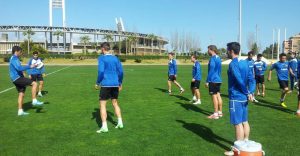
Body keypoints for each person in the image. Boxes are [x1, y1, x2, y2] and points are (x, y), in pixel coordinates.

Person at [224, 42, 255, 156]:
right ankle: (245, 142)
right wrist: (251, 92)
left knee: (238, 124)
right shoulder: (246, 63)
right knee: (244, 121)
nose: (227, 52)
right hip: (244, 98)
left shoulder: (233, 64)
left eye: (227, 50)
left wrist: (247, 92)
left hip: (236, 97)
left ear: (231, 51)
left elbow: (239, 80)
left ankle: (237, 150)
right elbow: (252, 79)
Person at [95, 42, 124, 133]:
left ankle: (104, 127)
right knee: (115, 103)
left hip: (106, 84)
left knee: (102, 104)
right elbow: (121, 72)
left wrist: (97, 82)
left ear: (103, 49)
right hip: (115, 84)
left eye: (101, 49)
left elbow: (101, 71)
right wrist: (120, 82)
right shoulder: (115, 58)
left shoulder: (102, 58)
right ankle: (120, 122)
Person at [9, 46, 44, 116]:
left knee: (21, 93)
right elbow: (19, 68)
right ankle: (34, 100)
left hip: (16, 78)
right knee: (34, 84)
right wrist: (30, 66)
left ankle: (20, 111)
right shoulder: (14, 58)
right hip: (17, 78)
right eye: (20, 52)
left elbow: (17, 68)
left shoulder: (13, 58)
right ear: (16, 51)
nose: (21, 53)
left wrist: (23, 73)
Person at [205, 45, 223, 119]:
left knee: (214, 96)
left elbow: (211, 70)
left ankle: (215, 114)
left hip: (213, 80)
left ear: (212, 50)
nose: (207, 51)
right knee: (218, 95)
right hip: (218, 79)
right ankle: (220, 112)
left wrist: (207, 81)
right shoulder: (218, 58)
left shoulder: (212, 58)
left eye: (208, 50)